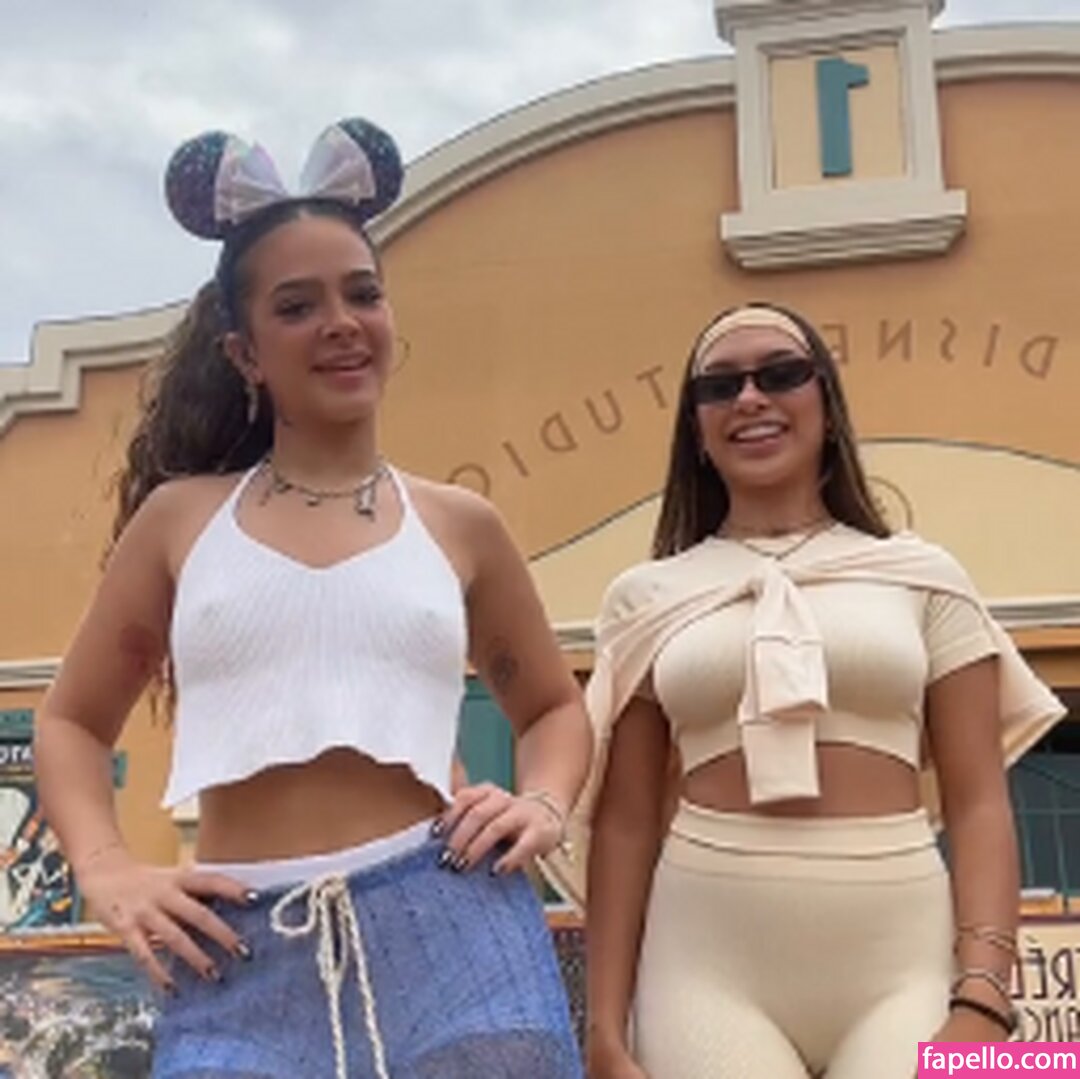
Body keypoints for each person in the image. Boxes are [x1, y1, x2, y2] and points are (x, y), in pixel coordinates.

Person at [33, 117, 590, 1079]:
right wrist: (108, 868)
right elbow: (72, 721)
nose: (340, 321)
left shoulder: (460, 523)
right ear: (244, 351)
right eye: (296, 306)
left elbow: (552, 706)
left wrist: (543, 800)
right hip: (237, 946)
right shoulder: (180, 522)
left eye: (362, 293)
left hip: (455, 931)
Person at [542, 302, 1065, 1078]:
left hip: (904, 964)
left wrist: (984, 997)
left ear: (827, 403)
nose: (750, 397)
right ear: (696, 428)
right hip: (704, 968)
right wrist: (605, 1030)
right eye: (720, 385)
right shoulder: (647, 597)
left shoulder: (924, 576)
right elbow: (626, 823)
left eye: (781, 373)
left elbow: (980, 799)